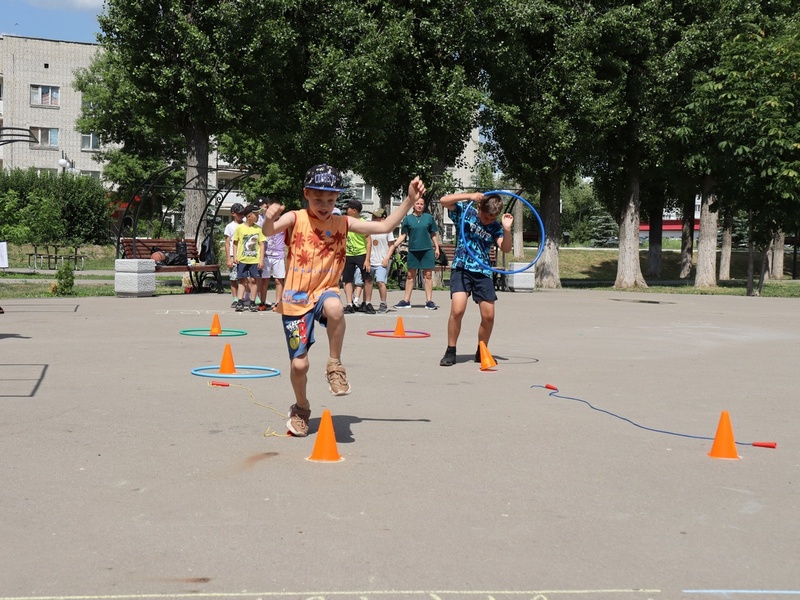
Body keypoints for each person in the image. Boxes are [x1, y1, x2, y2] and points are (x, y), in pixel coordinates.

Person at [262, 164, 425, 437]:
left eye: (330, 199)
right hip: (295, 299)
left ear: (337, 198)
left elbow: (384, 225)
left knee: (336, 306)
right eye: (318, 199)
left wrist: (409, 200)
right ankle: (301, 408)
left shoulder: (343, 222)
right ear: (306, 194)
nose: (324, 205)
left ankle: (334, 365)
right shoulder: (295, 218)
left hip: (325, 290)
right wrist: (268, 218)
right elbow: (268, 231)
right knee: (299, 364)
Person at [438, 192, 512, 367]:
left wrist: (507, 229)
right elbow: (443, 201)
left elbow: (506, 248)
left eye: (492, 218)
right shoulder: (465, 212)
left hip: (483, 271)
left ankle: (482, 350)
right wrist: (470, 196)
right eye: (486, 217)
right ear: (479, 208)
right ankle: (451, 350)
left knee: (489, 316)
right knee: (457, 310)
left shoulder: (495, 227)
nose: (487, 221)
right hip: (462, 267)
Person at [391, 197, 441, 310]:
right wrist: (394, 245)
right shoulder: (408, 219)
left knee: (427, 276)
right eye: (417, 204)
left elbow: (433, 234)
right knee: (410, 276)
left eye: (421, 204)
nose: (419, 206)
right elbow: (403, 235)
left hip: (427, 250)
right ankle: (406, 301)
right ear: (413, 205)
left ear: (424, 206)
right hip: (413, 251)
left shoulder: (428, 218)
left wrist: (437, 248)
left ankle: (429, 301)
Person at [342, 199, 375, 314]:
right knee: (347, 279)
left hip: (361, 253)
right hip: (348, 254)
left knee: (368, 278)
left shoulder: (363, 223)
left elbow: (369, 242)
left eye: (348, 208)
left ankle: (367, 303)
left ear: (354, 211)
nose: (346, 210)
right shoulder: (344, 222)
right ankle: (349, 304)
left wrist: (367, 259)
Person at [232, 204, 265, 312]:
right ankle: (240, 301)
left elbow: (262, 244)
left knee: (254, 280)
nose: (258, 216)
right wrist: (235, 256)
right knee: (242, 280)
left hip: (255, 260)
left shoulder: (259, 229)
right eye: (256, 214)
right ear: (249, 216)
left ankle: (252, 302)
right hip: (243, 259)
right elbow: (235, 243)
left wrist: (261, 259)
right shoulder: (240, 228)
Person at [256, 197, 286, 311]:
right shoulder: (263, 221)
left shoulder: (283, 221)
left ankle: (278, 303)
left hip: (279, 255)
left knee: (279, 280)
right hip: (266, 256)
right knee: (264, 280)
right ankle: (262, 301)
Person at [367, 207, 395, 313]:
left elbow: (392, 245)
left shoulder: (387, 229)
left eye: (376, 217)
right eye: (373, 216)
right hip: (370, 260)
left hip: (381, 261)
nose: (373, 219)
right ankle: (367, 303)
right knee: (368, 282)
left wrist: (387, 258)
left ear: (383, 218)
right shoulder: (369, 228)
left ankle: (383, 303)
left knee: (380, 282)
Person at [224, 203, 245, 307]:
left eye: (243, 214)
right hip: (233, 255)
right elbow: (227, 243)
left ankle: (243, 297)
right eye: (239, 214)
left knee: (245, 278)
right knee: (233, 278)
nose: (242, 216)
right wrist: (229, 258)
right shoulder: (230, 226)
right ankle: (235, 298)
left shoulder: (246, 224)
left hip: (245, 255)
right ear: (233, 214)